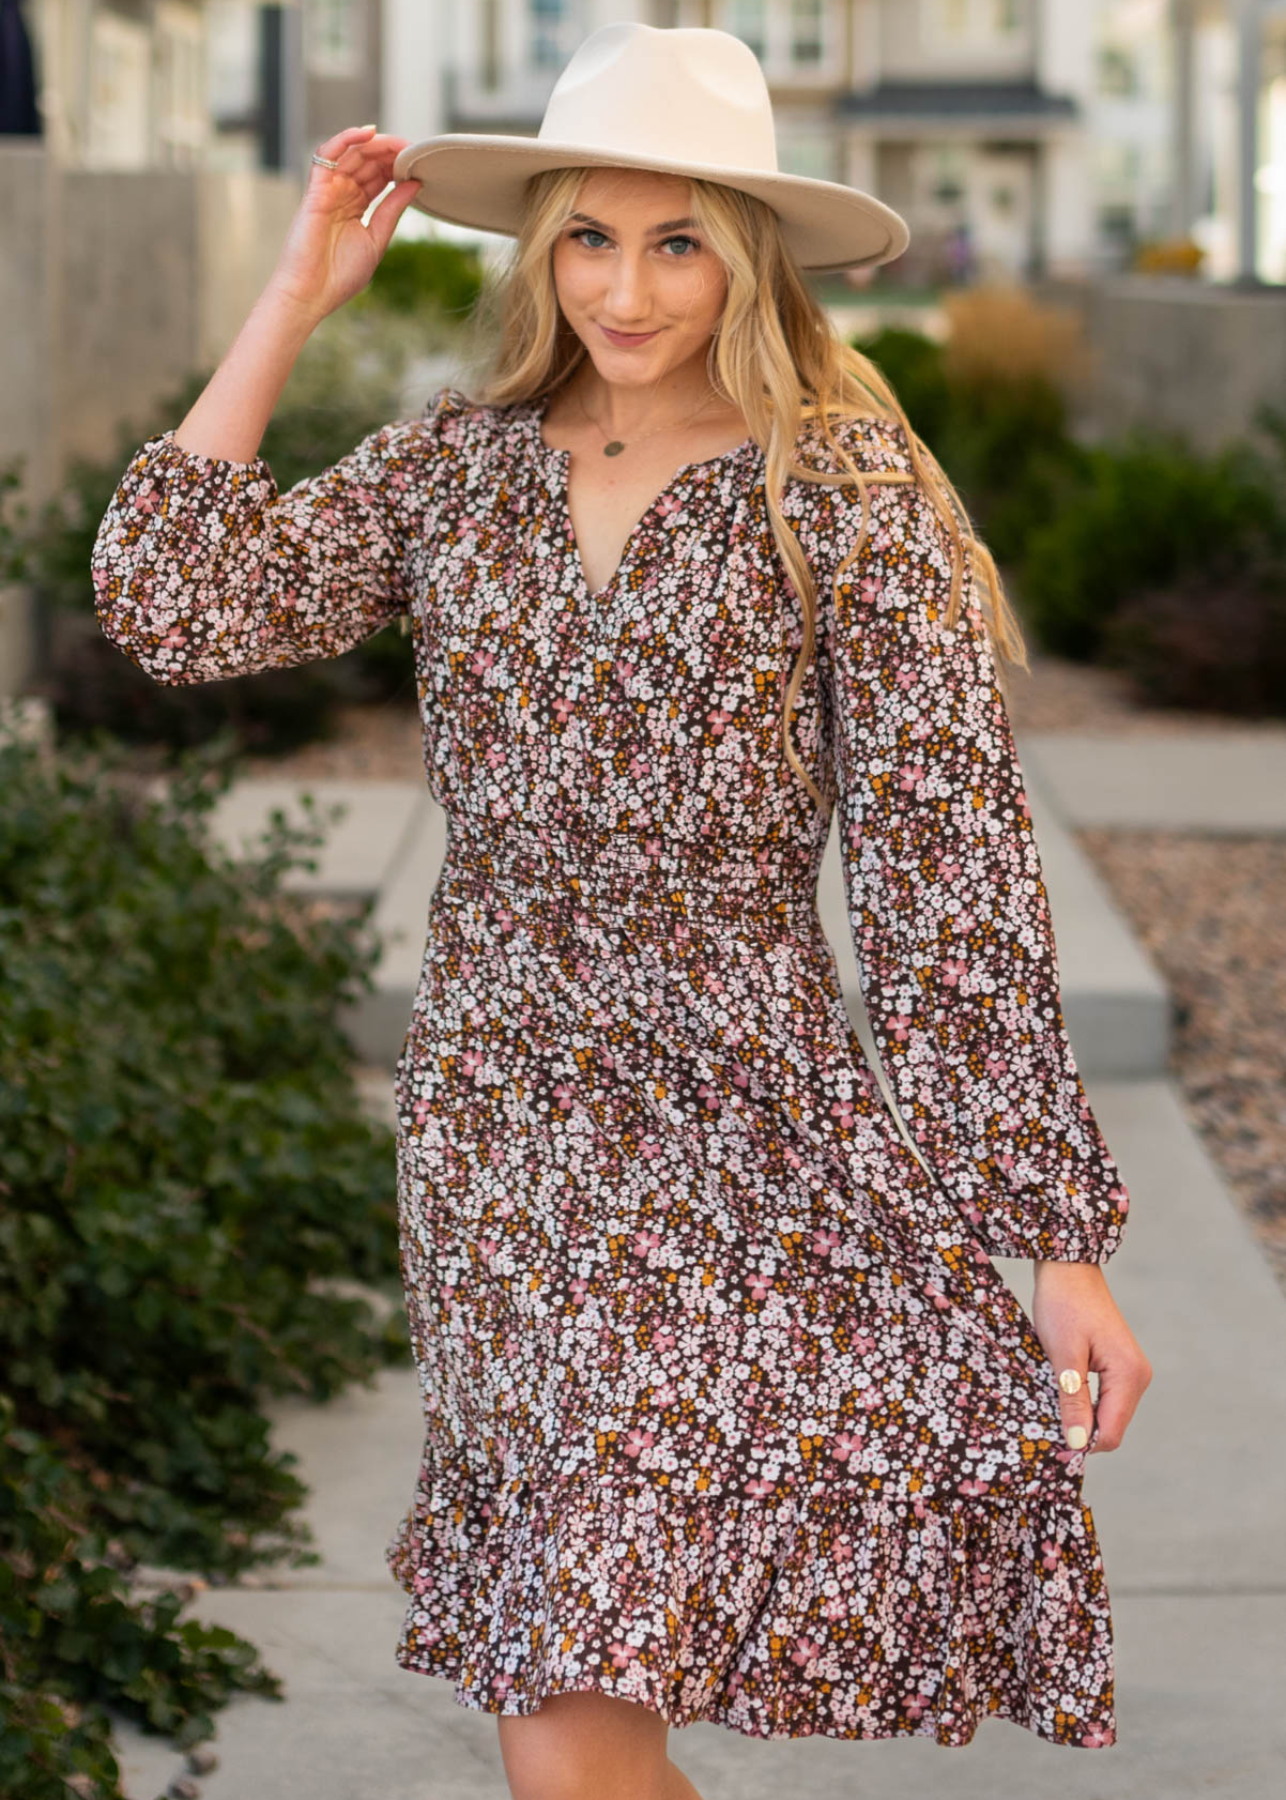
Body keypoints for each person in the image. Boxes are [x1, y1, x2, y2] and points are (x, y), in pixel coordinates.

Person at [90, 21, 1152, 1800]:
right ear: (538, 247)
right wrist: (292, 302)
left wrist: (1054, 1241)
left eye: (675, 242)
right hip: (502, 1131)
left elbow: (949, 881)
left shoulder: (847, 493)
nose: (625, 288)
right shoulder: (458, 463)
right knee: (563, 1719)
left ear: (745, 249)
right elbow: (179, 604)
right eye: (589, 235)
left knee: (573, 1730)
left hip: (744, 1126)